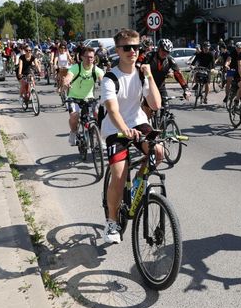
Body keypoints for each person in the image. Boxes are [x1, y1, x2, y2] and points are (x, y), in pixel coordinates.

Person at [100, 28, 162, 244]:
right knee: (119, 175)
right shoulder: (110, 78)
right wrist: (124, 130)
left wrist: (150, 76)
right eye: (127, 47)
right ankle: (111, 221)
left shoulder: (141, 74)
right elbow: (112, 110)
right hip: (115, 128)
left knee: (158, 152)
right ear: (118, 50)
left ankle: (137, 182)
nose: (133, 51)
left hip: (138, 122)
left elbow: (155, 104)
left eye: (136, 47)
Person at [62, 47, 104, 146]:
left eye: (92, 57)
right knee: (74, 116)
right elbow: (68, 77)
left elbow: (103, 81)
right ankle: (73, 132)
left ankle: (100, 138)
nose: (90, 59)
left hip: (89, 98)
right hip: (74, 98)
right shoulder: (75, 68)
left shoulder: (97, 70)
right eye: (87, 57)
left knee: (98, 114)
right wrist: (66, 83)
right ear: (81, 57)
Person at [143, 38, 190, 116]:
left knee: (166, 109)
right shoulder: (150, 56)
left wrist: (186, 89)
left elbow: (178, 73)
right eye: (163, 50)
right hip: (148, 86)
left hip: (161, 86)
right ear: (158, 49)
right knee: (147, 109)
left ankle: (163, 122)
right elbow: (142, 69)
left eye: (167, 52)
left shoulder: (170, 59)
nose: (165, 53)